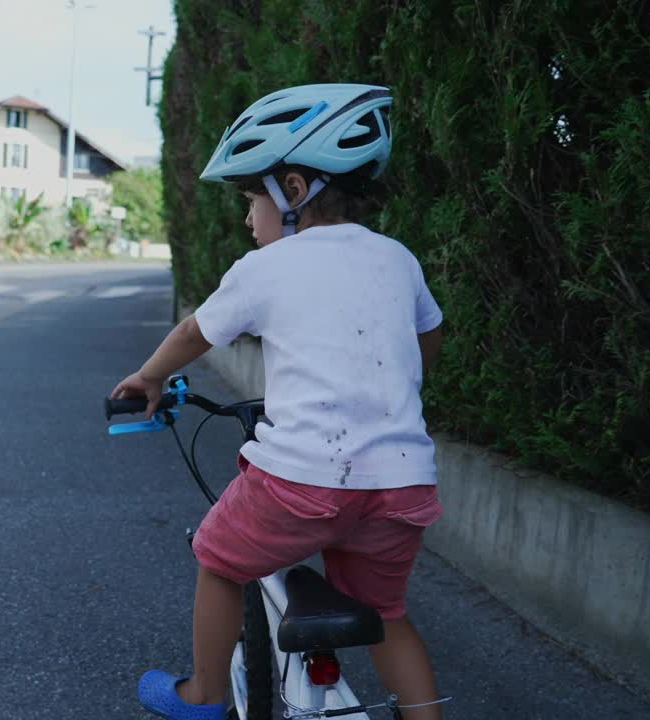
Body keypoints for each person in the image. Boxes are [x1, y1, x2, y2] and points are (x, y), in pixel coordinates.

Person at [112, 84, 446, 720]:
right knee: (387, 615)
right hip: (402, 485)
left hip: (301, 480)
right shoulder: (398, 259)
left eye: (251, 200)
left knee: (217, 560)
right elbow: (428, 334)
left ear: (294, 191)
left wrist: (149, 379)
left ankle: (203, 696)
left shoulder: (266, 267)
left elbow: (193, 334)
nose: (247, 220)